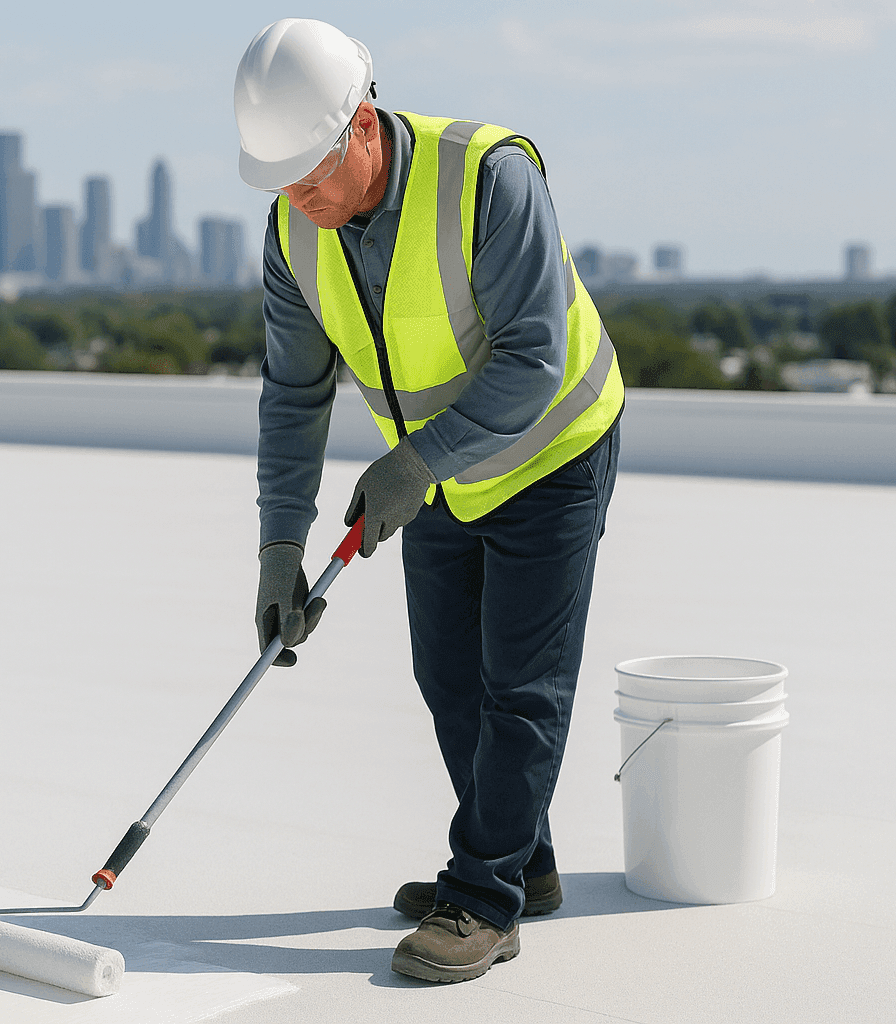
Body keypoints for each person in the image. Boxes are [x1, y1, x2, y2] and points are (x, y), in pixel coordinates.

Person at [235, 18, 625, 984]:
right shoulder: (294, 227)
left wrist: (415, 463)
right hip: (438, 468)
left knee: (520, 685)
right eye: (280, 179)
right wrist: (280, 547)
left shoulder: (489, 178)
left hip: (552, 451)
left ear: (362, 124)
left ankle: (483, 894)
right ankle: (519, 862)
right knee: (447, 675)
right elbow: (294, 394)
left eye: (314, 174)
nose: (301, 198)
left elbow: (533, 355)